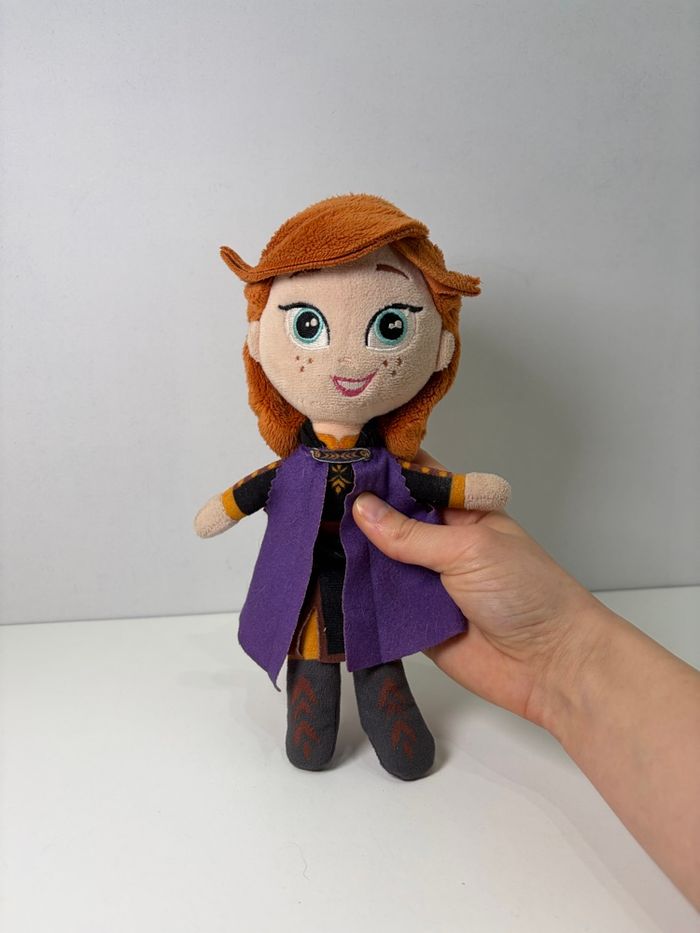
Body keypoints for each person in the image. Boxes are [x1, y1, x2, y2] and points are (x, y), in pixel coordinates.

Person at [352, 480, 700, 910]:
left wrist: (466, 490)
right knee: (316, 680)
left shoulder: (388, 472)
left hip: (376, 613)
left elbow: (435, 486)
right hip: (318, 616)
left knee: (377, 661)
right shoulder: (309, 472)